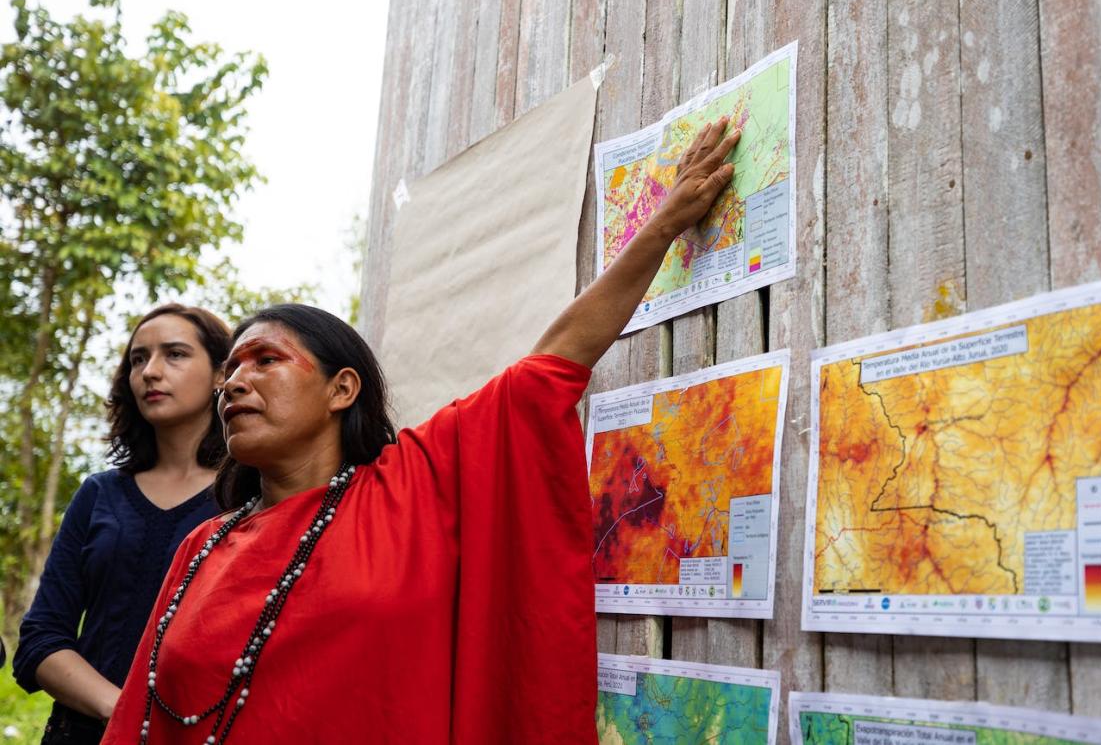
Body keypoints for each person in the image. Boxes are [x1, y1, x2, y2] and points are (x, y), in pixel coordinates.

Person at [100, 118, 743, 744]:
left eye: (266, 360)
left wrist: (662, 226)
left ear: (341, 389)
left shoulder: (413, 484)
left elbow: (555, 360)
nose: (236, 382)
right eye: (230, 371)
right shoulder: (201, 551)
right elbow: (137, 720)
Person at [14, 305, 231, 744]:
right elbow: (40, 640)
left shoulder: (248, 500)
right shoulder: (99, 494)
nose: (150, 371)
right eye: (138, 359)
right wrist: (124, 711)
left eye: (175, 354)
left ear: (221, 375)